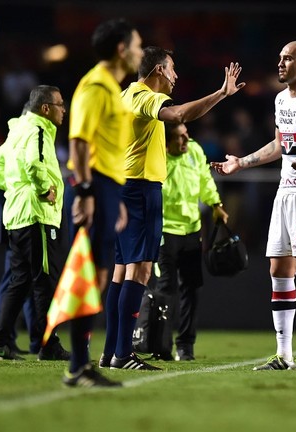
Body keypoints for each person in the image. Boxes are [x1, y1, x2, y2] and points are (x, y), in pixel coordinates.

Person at [101, 46, 245, 371]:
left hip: (127, 186)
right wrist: (221, 93)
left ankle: (112, 351)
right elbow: (178, 115)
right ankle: (123, 354)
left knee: (122, 271)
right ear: (159, 71)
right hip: (140, 190)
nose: (176, 76)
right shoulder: (143, 96)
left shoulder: (126, 95)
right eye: (172, 69)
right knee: (139, 271)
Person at [212, 40, 296, 371]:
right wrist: (241, 163)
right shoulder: (281, 99)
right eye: (280, 58)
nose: (281, 63)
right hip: (285, 191)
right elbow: (279, 143)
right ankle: (283, 355)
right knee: (278, 269)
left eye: (289, 59)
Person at [64, 18, 144, 387]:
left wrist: (118, 197)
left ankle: (81, 364)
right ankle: (78, 365)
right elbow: (79, 142)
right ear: (121, 49)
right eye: (138, 46)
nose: (140, 53)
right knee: (89, 273)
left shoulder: (112, 87)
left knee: (96, 274)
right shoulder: (95, 86)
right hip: (94, 184)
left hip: (109, 186)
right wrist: (84, 191)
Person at [0, 85, 71, 365]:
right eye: (60, 105)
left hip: (18, 215)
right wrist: (43, 189)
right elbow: (34, 164)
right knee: (44, 281)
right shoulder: (39, 130)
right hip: (37, 215)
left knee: (20, 281)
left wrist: (15, 188)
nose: (64, 110)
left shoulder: (17, 131)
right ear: (45, 108)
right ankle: (48, 344)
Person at [140, 122, 229, 361]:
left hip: (192, 230)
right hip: (165, 231)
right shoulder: (156, 158)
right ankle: (161, 345)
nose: (185, 141)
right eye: (179, 138)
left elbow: (205, 181)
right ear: (166, 142)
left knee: (191, 288)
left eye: (186, 135)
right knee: (165, 290)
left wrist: (215, 205)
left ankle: (185, 346)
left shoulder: (195, 151)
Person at [0, 187, 37, 355]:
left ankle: (37, 339)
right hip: (18, 208)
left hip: (19, 203)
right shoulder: (8, 161)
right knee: (14, 278)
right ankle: (3, 339)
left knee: (27, 278)